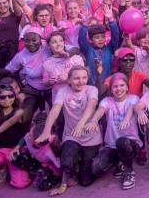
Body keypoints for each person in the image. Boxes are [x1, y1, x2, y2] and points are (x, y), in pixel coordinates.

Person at [36, 66, 102, 195]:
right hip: (71, 135)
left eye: (84, 78)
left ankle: (86, 162)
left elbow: (91, 106)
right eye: (76, 78)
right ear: (69, 80)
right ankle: (66, 177)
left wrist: (81, 124)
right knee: (66, 161)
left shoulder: (91, 89)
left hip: (91, 138)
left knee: (85, 181)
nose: (81, 81)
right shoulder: (63, 91)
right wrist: (46, 130)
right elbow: (55, 109)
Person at [87, 73, 141, 190]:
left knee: (122, 142)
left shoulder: (134, 98)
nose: (119, 89)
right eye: (115, 86)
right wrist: (94, 120)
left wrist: (129, 117)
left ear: (127, 87)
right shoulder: (107, 101)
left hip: (130, 144)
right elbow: (101, 110)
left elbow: (134, 107)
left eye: (122, 85)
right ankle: (119, 162)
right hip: (111, 145)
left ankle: (129, 171)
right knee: (96, 169)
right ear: (111, 89)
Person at [5, 31, 51, 130]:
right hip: (32, 88)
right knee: (25, 115)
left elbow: (68, 49)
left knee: (57, 115)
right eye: (27, 40)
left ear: (40, 40)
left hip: (51, 88)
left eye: (34, 40)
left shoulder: (48, 48)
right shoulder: (21, 55)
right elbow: (7, 70)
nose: (30, 43)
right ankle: (23, 139)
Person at [78, 4, 120, 86]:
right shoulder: (88, 49)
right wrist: (85, 24)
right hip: (91, 85)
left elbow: (115, 36)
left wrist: (111, 20)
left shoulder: (109, 48)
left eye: (103, 37)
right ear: (90, 40)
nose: (101, 39)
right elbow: (81, 40)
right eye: (97, 37)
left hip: (106, 86)